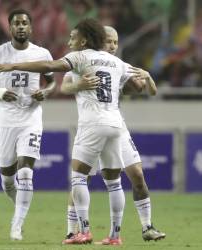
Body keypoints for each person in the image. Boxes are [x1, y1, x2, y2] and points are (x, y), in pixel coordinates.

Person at [0, 18, 144, 244]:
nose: (69, 41)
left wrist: (14, 65)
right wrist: (146, 77)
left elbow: (49, 66)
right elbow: (139, 87)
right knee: (114, 183)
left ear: (83, 40)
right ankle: (115, 236)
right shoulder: (115, 61)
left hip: (92, 124)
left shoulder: (80, 56)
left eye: (73, 37)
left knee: (79, 178)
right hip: (115, 124)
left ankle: (83, 231)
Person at [60, 26, 165, 245]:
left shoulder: (118, 65)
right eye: (109, 41)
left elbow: (140, 88)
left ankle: (146, 227)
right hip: (92, 125)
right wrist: (80, 85)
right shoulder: (84, 60)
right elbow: (65, 86)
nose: (113, 46)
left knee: (136, 174)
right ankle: (72, 231)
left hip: (115, 126)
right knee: (82, 177)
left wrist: (146, 77)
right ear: (98, 41)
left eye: (116, 42)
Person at [0, 9, 56, 241]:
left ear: (31, 27)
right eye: (16, 23)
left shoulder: (42, 54)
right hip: (5, 121)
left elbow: (51, 83)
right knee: (8, 179)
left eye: (24, 23)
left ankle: (16, 225)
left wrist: (44, 92)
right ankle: (20, 205)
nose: (21, 27)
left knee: (26, 173)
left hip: (31, 119)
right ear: (10, 28)